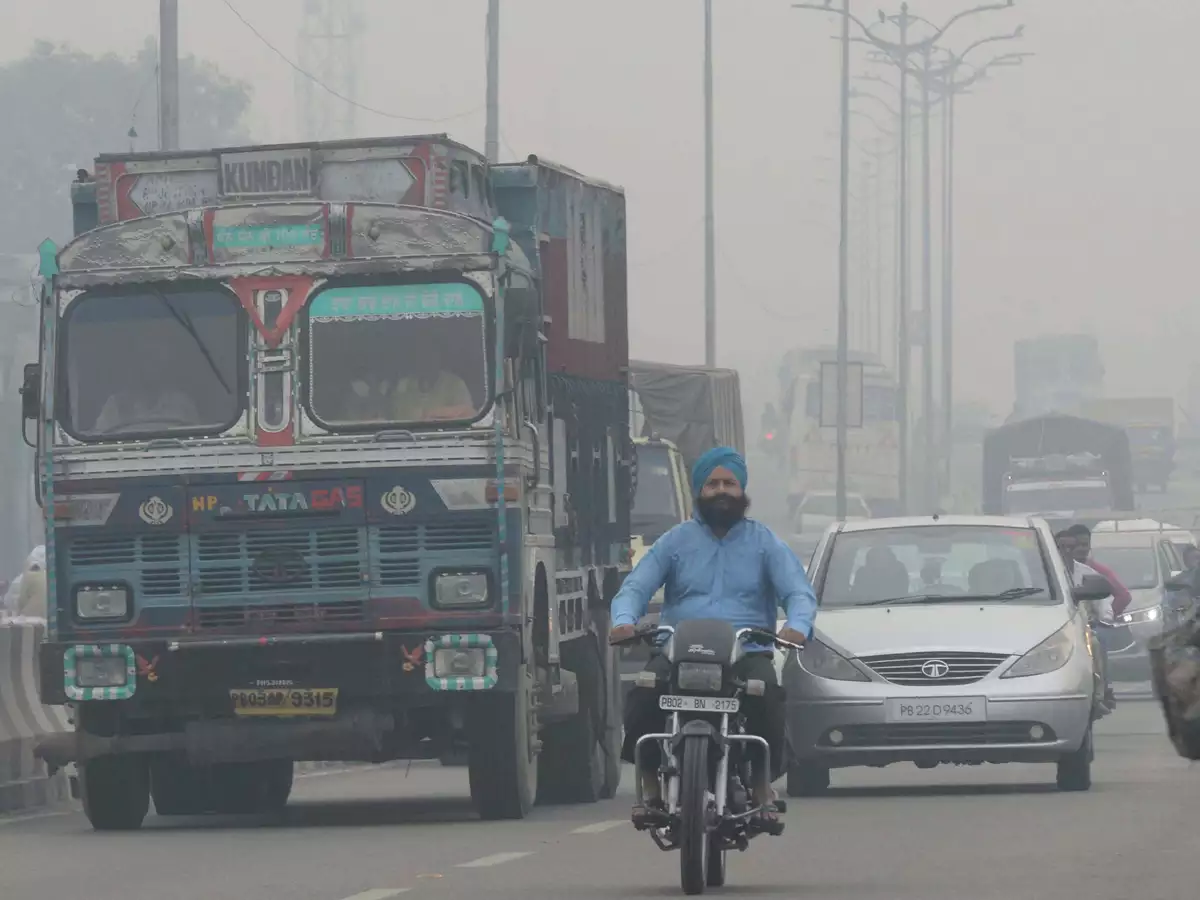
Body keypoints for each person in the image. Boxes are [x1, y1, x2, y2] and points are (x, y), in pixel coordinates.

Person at [608, 446, 817, 826]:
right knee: (643, 692)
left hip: (745, 650)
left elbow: (798, 593)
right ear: (698, 490)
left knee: (766, 693)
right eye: (713, 484)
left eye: (729, 483)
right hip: (679, 650)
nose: (721, 490)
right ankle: (651, 785)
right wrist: (624, 620)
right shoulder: (674, 542)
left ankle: (759, 785)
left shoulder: (765, 543)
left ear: (742, 490)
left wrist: (797, 626)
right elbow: (635, 588)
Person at [1056, 529, 1115, 711]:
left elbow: (1104, 603)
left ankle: (1098, 697)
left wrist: (1103, 620)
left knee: (1096, 643)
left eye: (1071, 547)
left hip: (1082, 629)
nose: (1067, 551)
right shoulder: (1041, 573)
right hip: (1052, 630)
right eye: (1062, 547)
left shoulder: (1087, 573)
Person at [391, 343, 475, 422]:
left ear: (439, 357)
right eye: (421, 355)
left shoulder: (455, 384)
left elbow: (468, 415)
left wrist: (433, 414)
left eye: (429, 355)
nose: (425, 360)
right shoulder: (402, 385)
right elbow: (393, 417)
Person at [1066, 524, 1132, 619]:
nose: (1081, 549)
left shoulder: (1100, 571)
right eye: (1077, 545)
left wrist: (1105, 617)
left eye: (1085, 545)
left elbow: (1124, 596)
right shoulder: (1058, 569)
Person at [93, 383, 200, 435]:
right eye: (146, 360)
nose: (151, 369)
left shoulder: (181, 402)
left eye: (156, 361)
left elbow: (198, 439)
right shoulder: (117, 403)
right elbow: (99, 440)